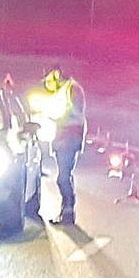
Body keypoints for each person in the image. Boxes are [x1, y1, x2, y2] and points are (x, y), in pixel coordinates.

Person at [39, 65, 87, 225]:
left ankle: (68, 211)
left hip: (69, 137)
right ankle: (66, 212)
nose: (48, 84)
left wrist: (53, 116)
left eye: (49, 79)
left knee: (63, 177)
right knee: (64, 176)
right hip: (62, 137)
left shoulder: (73, 89)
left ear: (57, 74)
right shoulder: (62, 90)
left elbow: (74, 112)